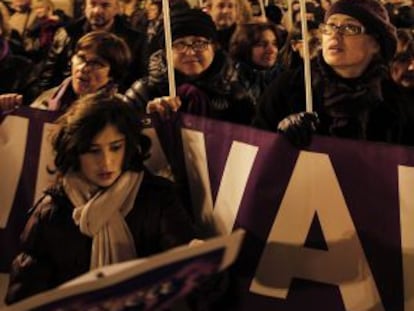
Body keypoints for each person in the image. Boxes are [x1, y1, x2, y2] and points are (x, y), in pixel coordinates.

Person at [5, 92, 197, 304]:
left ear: (130, 145)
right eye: (93, 150)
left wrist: (198, 263)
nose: (106, 162)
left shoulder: (159, 198)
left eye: (115, 147)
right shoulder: (51, 212)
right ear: (74, 151)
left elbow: (187, 283)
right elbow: (26, 298)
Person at [253, 0, 404, 147]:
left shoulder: (395, 102)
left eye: (349, 28)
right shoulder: (288, 87)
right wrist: (278, 137)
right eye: (330, 26)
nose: (334, 35)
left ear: (376, 44)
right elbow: (255, 148)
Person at [123, 8, 254, 125]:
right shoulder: (143, 92)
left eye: (199, 43)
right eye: (180, 44)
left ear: (214, 47)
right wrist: (147, 119)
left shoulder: (235, 93)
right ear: (165, 52)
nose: (190, 52)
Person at [31, 0, 148, 95]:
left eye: (105, 5)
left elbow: (139, 81)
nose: (97, 11)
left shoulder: (134, 40)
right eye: (92, 4)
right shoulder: (67, 34)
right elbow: (48, 78)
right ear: (85, 6)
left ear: (117, 8)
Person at [30, 30, 131, 111]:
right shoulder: (47, 98)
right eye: (81, 58)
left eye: (95, 63)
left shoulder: (120, 112)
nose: (82, 68)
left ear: (112, 74)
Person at [229, 22, 284, 105]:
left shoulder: (284, 78)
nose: (271, 50)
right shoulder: (231, 80)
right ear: (245, 47)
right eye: (262, 44)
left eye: (274, 44)